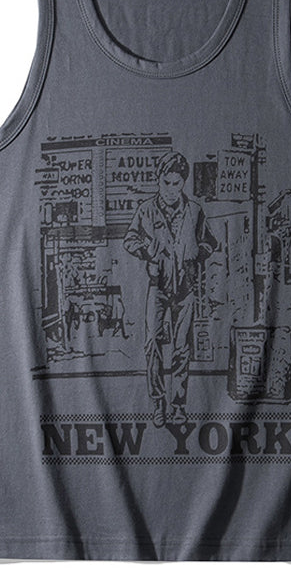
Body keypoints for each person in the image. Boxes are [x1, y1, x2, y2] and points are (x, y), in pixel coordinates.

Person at [123, 151, 218, 427]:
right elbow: (129, 239)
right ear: (158, 180)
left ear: (183, 183)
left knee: (181, 348)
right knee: (152, 344)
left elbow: (211, 242)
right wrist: (146, 251)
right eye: (167, 182)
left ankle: (178, 405)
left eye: (177, 183)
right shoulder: (146, 210)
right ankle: (158, 403)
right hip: (157, 287)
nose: (171, 189)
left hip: (185, 289)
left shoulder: (195, 211)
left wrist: (197, 254)